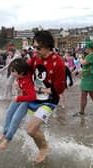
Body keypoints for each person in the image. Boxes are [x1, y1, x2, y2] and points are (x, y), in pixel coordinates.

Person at [26, 30, 65, 163]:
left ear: (48, 46)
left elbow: (59, 89)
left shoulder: (58, 62)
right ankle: (43, 148)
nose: (34, 51)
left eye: (38, 48)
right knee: (31, 130)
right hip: (34, 99)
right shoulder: (35, 58)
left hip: (49, 101)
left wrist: (41, 89)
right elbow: (27, 71)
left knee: (31, 130)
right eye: (33, 47)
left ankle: (44, 148)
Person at [0, 58, 36, 149]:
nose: (11, 73)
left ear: (21, 73)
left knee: (15, 119)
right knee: (9, 113)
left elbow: (33, 96)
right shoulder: (19, 76)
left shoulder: (27, 81)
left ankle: (7, 139)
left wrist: (19, 97)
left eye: (13, 71)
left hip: (26, 101)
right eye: (11, 70)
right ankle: (4, 132)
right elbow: (30, 61)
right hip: (20, 97)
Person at [73, 39, 93, 116]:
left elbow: (83, 63)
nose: (85, 49)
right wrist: (77, 71)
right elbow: (84, 66)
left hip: (91, 78)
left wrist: (80, 58)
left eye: (86, 48)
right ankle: (82, 112)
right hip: (86, 78)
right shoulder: (89, 55)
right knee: (83, 94)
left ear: (90, 48)